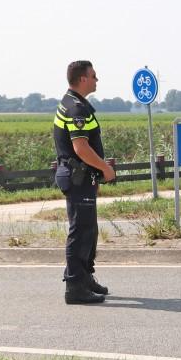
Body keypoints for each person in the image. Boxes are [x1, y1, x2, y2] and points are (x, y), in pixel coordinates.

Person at [53, 60, 115, 304]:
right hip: (77, 177)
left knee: (89, 230)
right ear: (82, 79)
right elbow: (80, 147)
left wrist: (95, 176)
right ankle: (75, 288)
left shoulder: (73, 103)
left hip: (81, 177)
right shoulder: (76, 109)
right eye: (94, 76)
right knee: (81, 232)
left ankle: (85, 277)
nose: (97, 80)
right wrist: (105, 169)